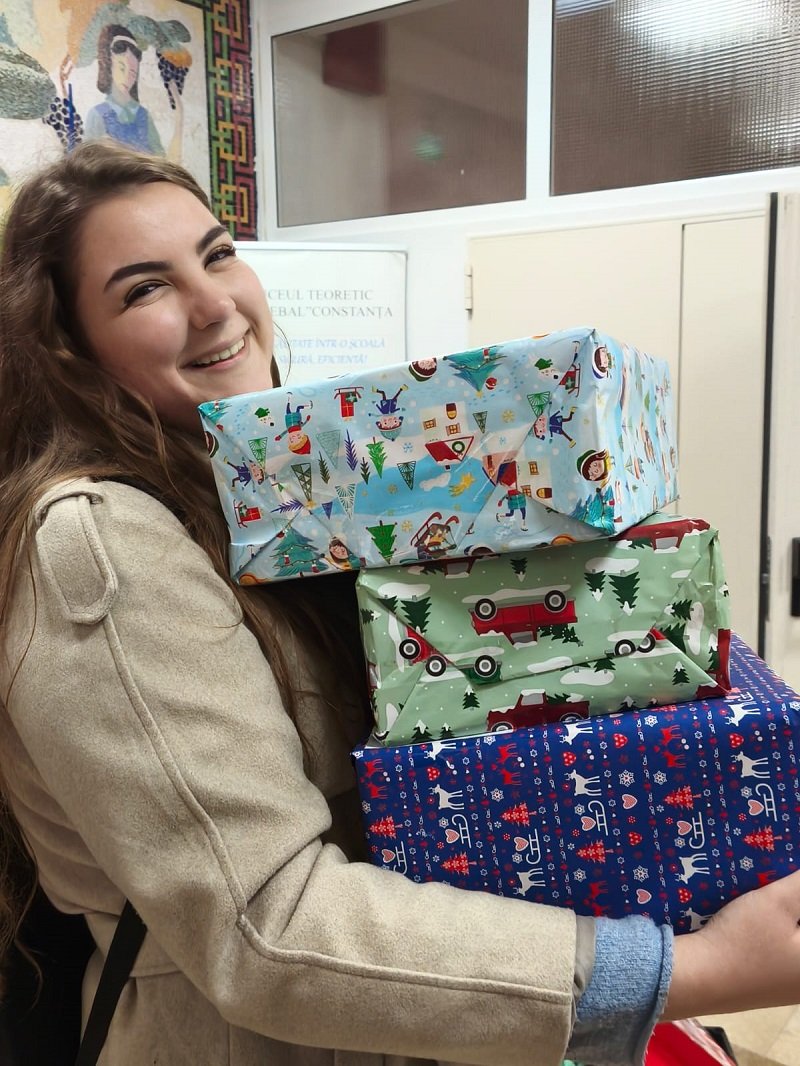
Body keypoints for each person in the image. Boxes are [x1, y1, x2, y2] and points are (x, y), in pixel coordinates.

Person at [0, 140, 799, 1066]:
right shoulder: (98, 539)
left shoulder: (266, 496)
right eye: (146, 288)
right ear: (67, 348)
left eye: (217, 254)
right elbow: (268, 928)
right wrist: (684, 969)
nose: (216, 304)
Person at [84, 25, 183, 162]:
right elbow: (87, 164)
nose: (127, 78)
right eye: (122, 68)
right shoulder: (97, 115)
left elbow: (160, 159)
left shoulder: (143, 116)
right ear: (109, 65)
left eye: (132, 73)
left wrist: (179, 117)